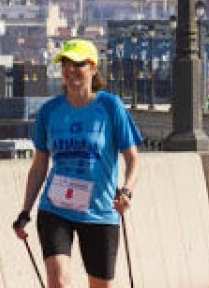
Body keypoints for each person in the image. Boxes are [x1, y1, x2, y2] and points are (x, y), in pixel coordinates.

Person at [13, 39, 141, 287]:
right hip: (55, 208)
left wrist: (127, 191)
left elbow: (133, 158)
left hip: (99, 212)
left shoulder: (110, 107)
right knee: (58, 280)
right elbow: (39, 165)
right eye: (66, 64)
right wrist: (25, 211)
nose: (71, 70)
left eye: (78, 64)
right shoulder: (49, 111)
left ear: (93, 68)